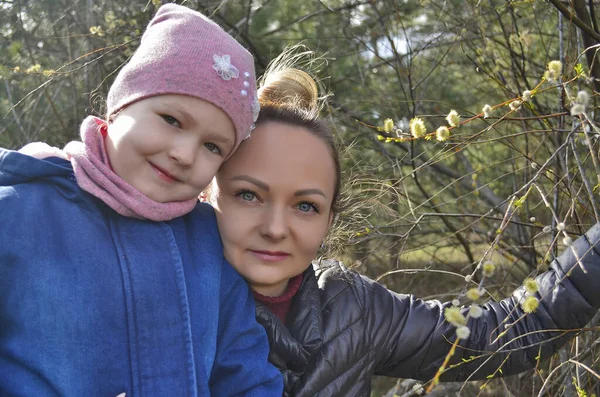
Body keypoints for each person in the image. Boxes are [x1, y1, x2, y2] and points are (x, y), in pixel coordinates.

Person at [208, 64, 600, 396]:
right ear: (207, 191)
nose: (276, 228)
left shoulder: (353, 308)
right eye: (248, 195)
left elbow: (503, 334)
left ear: (329, 220)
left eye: (306, 206)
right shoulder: (165, 295)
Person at [0, 4, 282, 396]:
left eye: (213, 146)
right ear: (120, 107)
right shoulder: (17, 214)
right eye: (171, 119)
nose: (185, 153)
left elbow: (245, 370)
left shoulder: (207, 242)